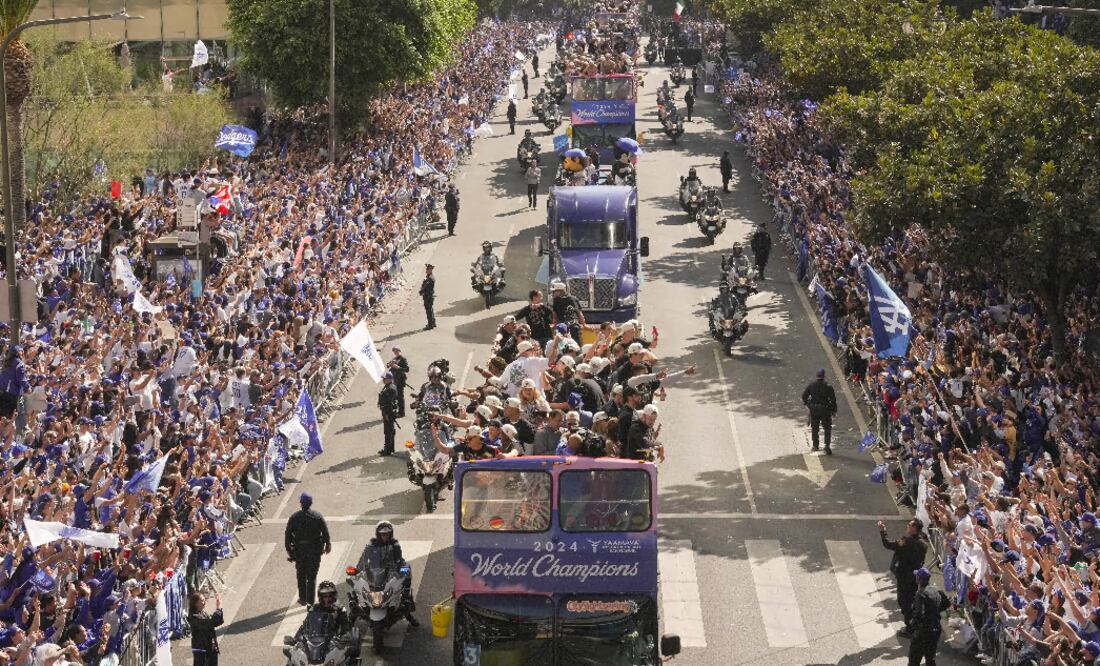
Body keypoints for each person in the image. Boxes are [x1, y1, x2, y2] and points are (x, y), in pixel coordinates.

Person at [359, 521, 419, 626]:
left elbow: (399, 559)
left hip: (391, 570)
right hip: (374, 571)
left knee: (407, 569)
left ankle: (406, 601)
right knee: (358, 587)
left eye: (387, 534)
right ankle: (352, 616)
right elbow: (363, 558)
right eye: (382, 534)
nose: (385, 536)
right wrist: (358, 569)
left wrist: (399, 570)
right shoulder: (372, 543)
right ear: (378, 534)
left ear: (390, 534)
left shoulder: (394, 544)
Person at [879, 519, 929, 636]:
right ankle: (914, 623)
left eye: (910, 525)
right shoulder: (923, 544)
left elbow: (889, 544)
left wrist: (883, 531)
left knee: (904, 603)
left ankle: (911, 628)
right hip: (915, 577)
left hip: (904, 577)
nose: (907, 526)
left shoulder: (906, 541)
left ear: (915, 528)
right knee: (911, 601)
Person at [285, 492, 332, 606]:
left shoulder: (294, 517)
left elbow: (288, 536)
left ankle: (303, 598)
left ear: (301, 503)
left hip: (300, 551)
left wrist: (291, 552)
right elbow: (325, 532)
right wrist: (327, 544)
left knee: (301, 575)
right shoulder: (317, 516)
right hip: (314, 550)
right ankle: (310, 601)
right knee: (311, 576)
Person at [909, 567, 946, 664]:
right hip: (936, 629)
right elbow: (946, 603)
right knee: (930, 658)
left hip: (923, 631)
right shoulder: (936, 589)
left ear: (919, 579)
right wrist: (935, 611)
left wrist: (912, 627)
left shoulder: (920, 594)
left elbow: (918, 614)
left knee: (914, 659)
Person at [801, 369, 837, 453]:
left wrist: (808, 405)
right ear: (824, 376)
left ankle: (815, 446)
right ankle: (827, 445)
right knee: (827, 427)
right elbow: (833, 400)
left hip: (814, 409)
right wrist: (833, 410)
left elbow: (804, 396)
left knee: (815, 427)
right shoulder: (828, 386)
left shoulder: (811, 385)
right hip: (825, 409)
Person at [188, 591, 224, 666]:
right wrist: (218, 607)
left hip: (210, 647)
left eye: (205, 599)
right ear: (195, 603)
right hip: (202, 651)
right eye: (202, 600)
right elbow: (213, 622)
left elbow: (216, 621)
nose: (205, 602)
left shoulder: (202, 613)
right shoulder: (194, 618)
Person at [378, 372, 399, 456]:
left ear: (390, 379)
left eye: (385, 379)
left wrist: (386, 414)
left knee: (388, 432)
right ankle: (390, 448)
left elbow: (389, 403)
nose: (383, 380)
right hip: (387, 412)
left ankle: (388, 451)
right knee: (389, 431)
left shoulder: (391, 388)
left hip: (389, 413)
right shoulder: (388, 386)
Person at [387, 346, 409, 417]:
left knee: (400, 397)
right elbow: (388, 365)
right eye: (394, 351)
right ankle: (395, 410)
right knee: (394, 396)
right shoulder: (395, 359)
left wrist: (398, 367)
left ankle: (401, 413)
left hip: (400, 380)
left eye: (397, 351)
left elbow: (406, 369)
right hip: (394, 380)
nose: (395, 352)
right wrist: (389, 364)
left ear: (400, 351)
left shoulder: (403, 359)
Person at [420, 264, 436, 330]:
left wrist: (421, 291)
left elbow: (425, 286)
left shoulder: (430, 278)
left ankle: (430, 325)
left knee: (428, 310)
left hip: (428, 296)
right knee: (430, 309)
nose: (426, 270)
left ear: (430, 270)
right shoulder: (430, 276)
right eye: (426, 269)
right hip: (429, 295)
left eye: (428, 269)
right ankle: (433, 322)